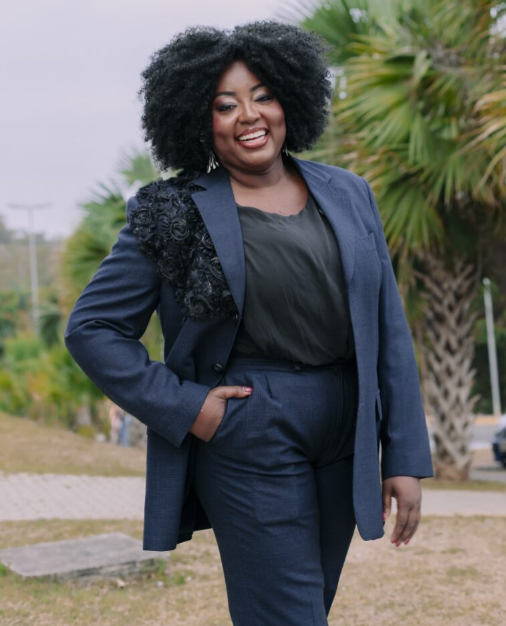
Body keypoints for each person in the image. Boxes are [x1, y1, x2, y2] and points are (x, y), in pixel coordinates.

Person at [64, 21, 434, 625]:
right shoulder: (172, 210)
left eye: (263, 95)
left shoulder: (348, 193)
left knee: (305, 605)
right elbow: (93, 328)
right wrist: (189, 408)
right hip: (249, 424)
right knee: (286, 614)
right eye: (225, 104)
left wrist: (404, 455)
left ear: (290, 99)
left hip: (346, 428)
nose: (249, 115)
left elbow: (387, 327)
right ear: (199, 119)